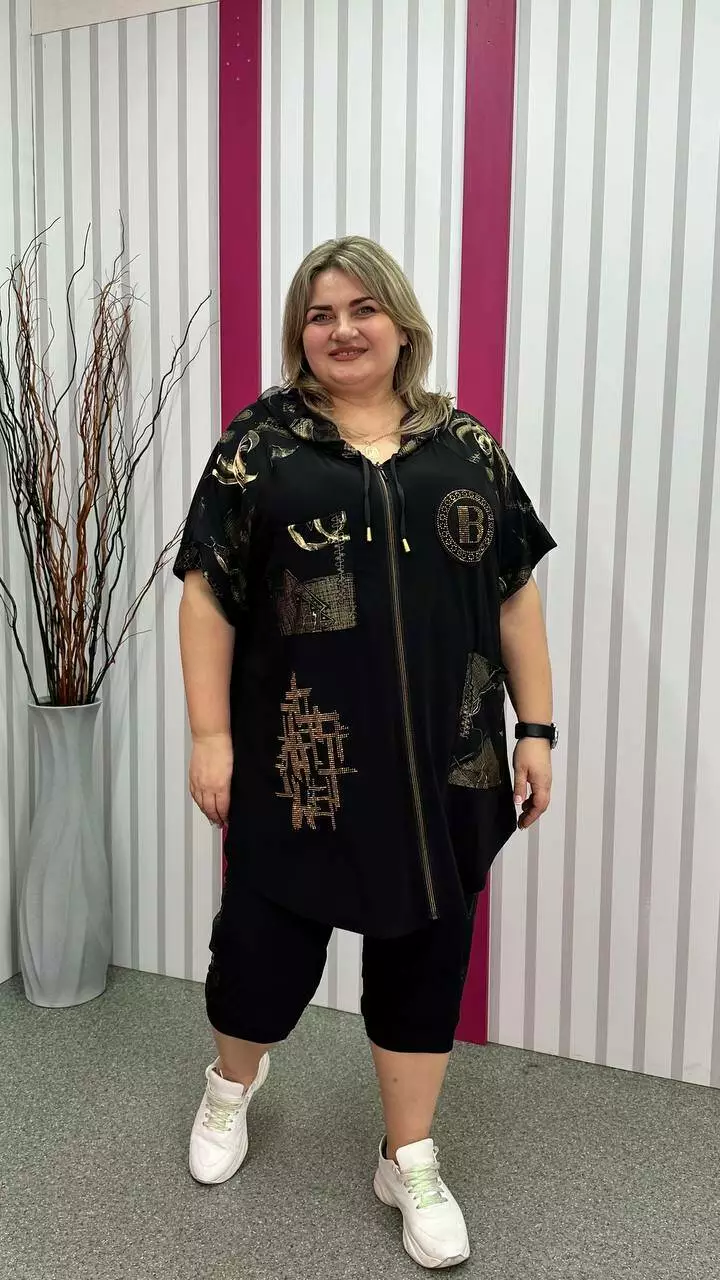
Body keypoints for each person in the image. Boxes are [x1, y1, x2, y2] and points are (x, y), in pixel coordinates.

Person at [173, 236, 556, 1270]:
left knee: (425, 957)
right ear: (300, 333)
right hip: (302, 762)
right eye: (319, 313)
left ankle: (408, 1154)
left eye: (361, 309)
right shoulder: (260, 448)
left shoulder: (464, 447)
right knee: (263, 949)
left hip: (446, 765)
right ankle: (230, 1085)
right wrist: (209, 736)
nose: (342, 329)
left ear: (399, 322)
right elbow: (206, 594)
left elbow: (514, 594)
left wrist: (536, 727)